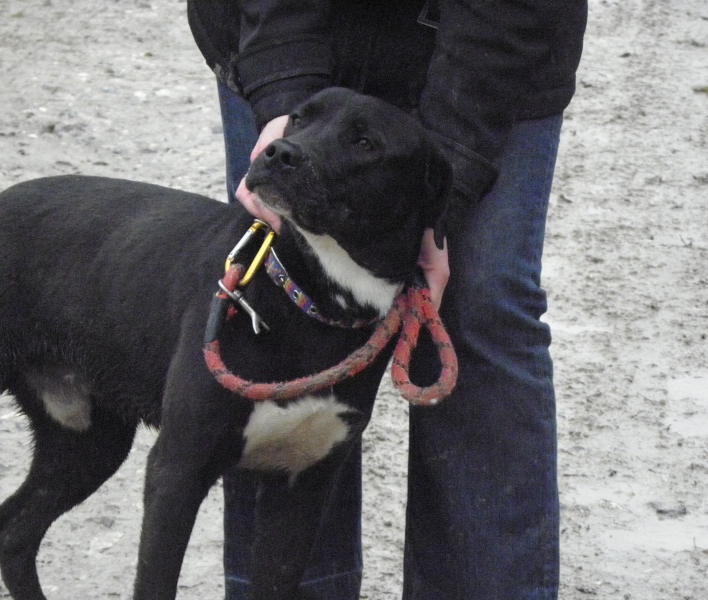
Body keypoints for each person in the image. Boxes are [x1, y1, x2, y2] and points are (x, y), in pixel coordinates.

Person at [186, 1, 588, 598]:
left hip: (498, 40)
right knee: (276, 310)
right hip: (280, 21)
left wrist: (449, 182)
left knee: (478, 310)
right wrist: (285, 101)